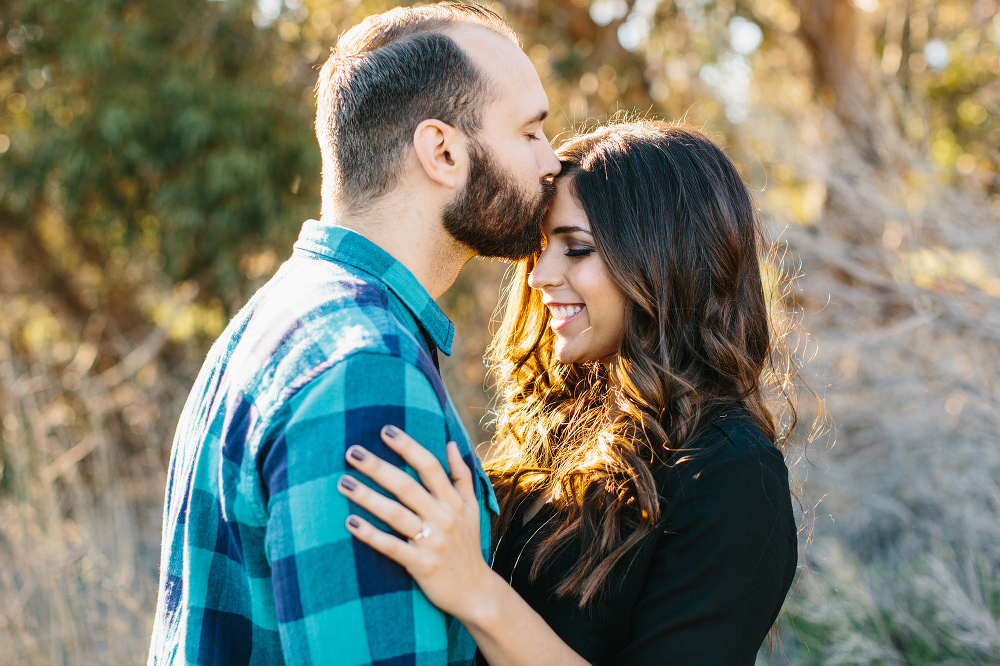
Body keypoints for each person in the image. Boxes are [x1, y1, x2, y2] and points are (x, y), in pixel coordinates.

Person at [147, 4, 561, 665]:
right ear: (443, 151)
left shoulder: (279, 319)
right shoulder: (365, 366)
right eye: (531, 133)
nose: (552, 163)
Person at [336, 121, 801, 665]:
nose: (538, 277)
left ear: (666, 260)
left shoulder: (735, 473)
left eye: (576, 249)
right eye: (540, 249)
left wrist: (474, 591)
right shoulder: (558, 427)